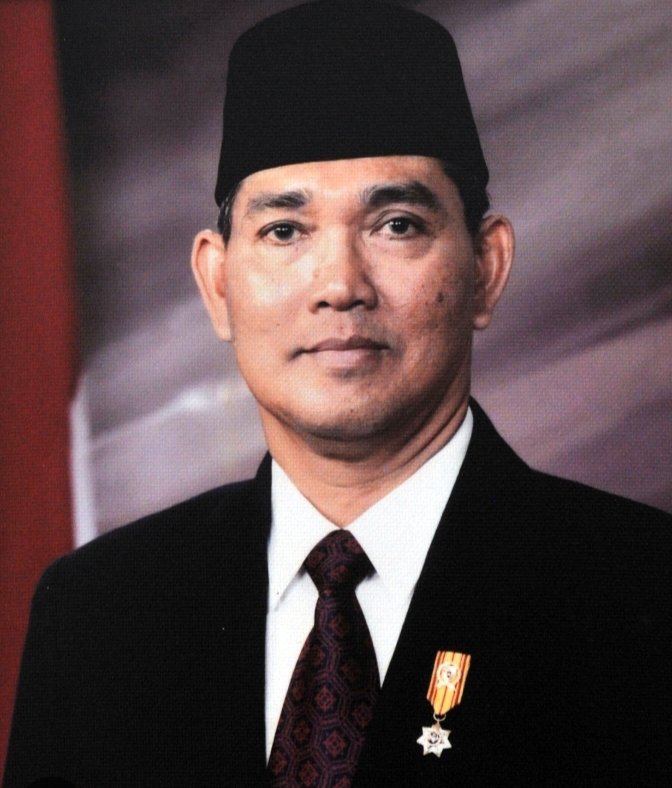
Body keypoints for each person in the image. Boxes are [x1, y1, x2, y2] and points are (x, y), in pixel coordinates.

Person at [4, 2, 670, 786]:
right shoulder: (99, 614)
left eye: (396, 225)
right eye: (285, 232)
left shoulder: (645, 597)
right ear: (217, 284)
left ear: (486, 268)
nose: (341, 286)